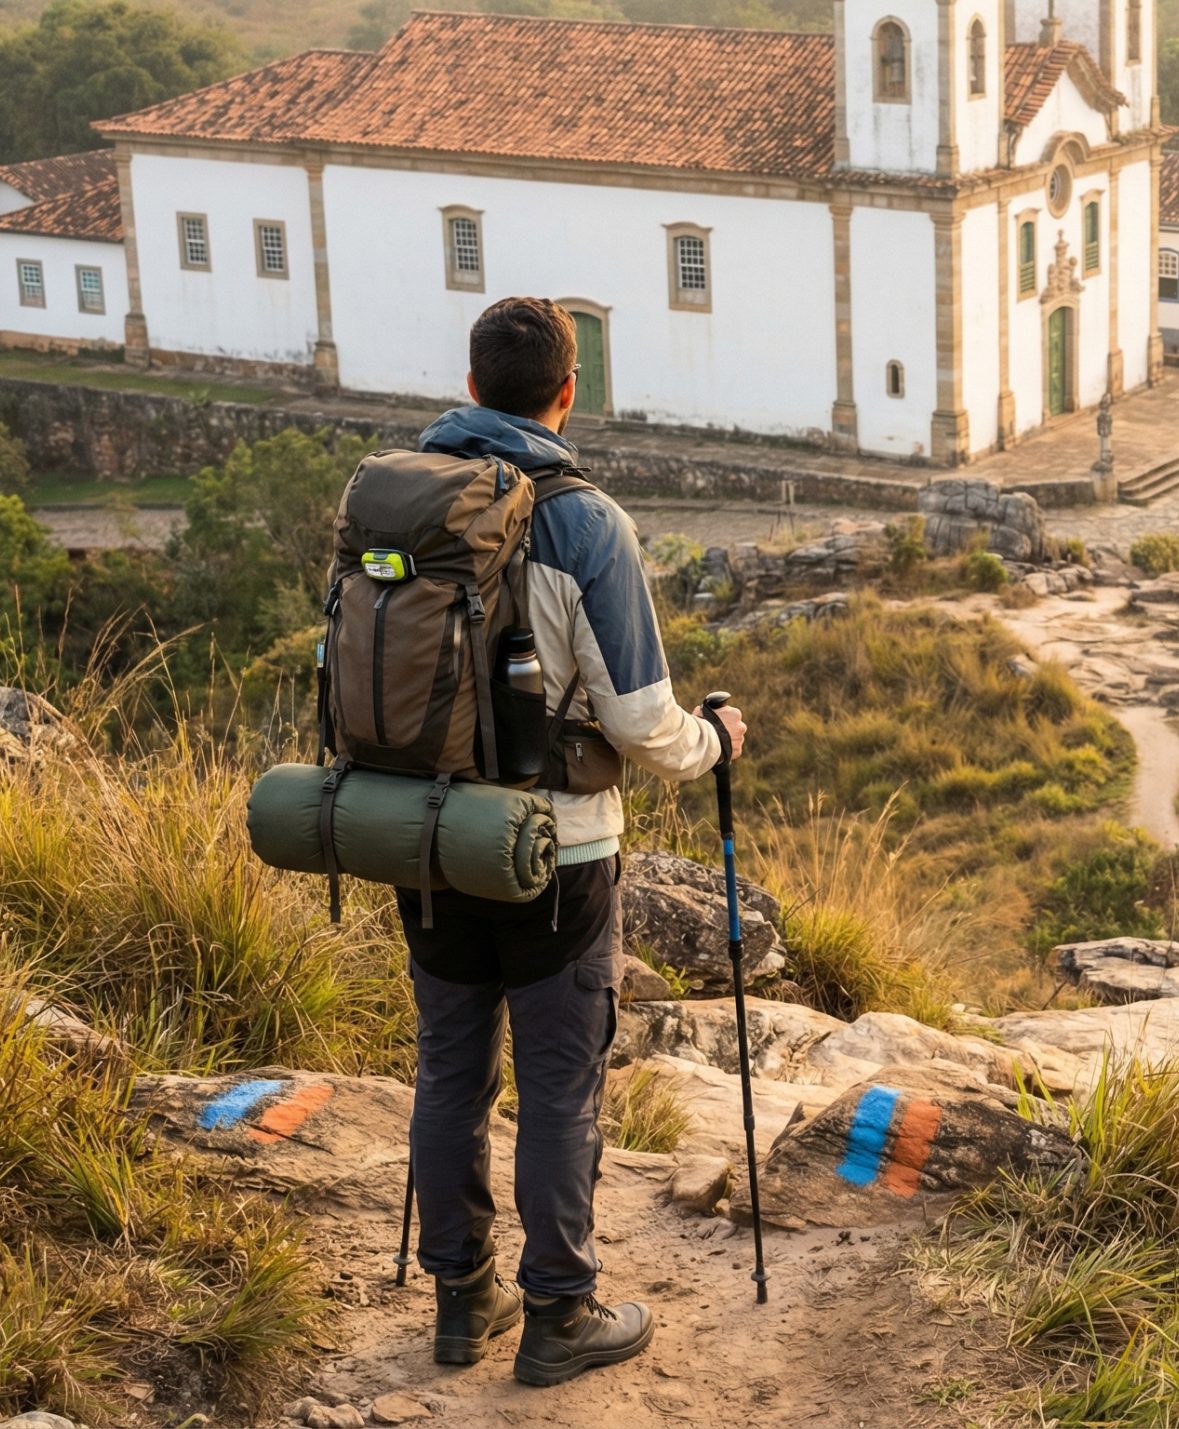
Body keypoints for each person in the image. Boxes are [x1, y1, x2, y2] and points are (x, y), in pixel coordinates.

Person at [403, 297, 749, 1389]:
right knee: (559, 1083)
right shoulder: (583, 521)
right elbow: (644, 721)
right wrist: (717, 742)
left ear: (469, 389)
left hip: (423, 834)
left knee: (450, 1067)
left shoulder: (403, 498)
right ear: (568, 392)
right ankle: (560, 1311)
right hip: (559, 851)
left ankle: (462, 1299)